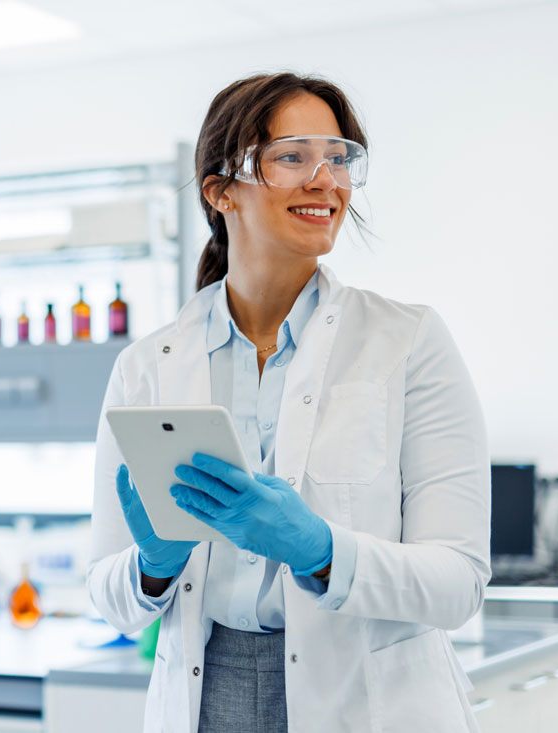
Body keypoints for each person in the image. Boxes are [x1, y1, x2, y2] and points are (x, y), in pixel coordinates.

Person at [88, 73, 489, 733]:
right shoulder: (146, 367)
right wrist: (151, 566)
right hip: (203, 695)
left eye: (338, 158)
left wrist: (320, 548)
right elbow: (108, 593)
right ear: (221, 191)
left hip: (366, 699)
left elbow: (459, 581)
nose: (325, 179)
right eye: (293, 157)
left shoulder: (407, 340)